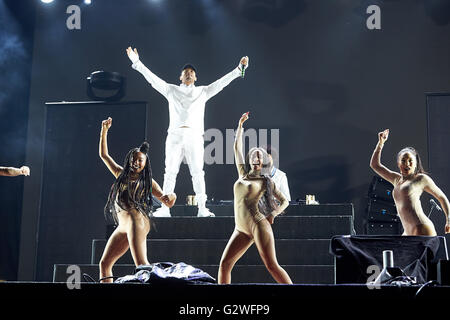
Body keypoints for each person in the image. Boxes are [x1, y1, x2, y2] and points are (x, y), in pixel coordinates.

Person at [126, 46, 249, 217]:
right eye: (186, 72)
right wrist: (137, 62)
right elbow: (152, 79)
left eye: (192, 72)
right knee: (170, 172)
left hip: (194, 136)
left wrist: (238, 70)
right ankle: (165, 208)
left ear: (196, 77)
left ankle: (202, 208)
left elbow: (221, 83)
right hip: (175, 135)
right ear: (180, 76)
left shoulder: (203, 91)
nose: (189, 73)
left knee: (198, 172)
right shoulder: (171, 89)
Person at [98, 117, 176, 283]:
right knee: (104, 264)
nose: (136, 162)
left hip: (136, 221)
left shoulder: (148, 182)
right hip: (122, 225)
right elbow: (104, 155)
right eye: (134, 159)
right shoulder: (120, 174)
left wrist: (172, 196)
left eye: (140, 160)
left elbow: (167, 201)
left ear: (145, 162)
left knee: (142, 265)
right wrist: (104, 131)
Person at [218, 112, 292, 284]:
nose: (255, 157)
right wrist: (240, 126)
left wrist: (273, 214)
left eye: (259, 155)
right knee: (225, 264)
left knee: (272, 265)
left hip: (258, 224)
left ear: (264, 160)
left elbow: (285, 201)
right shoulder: (242, 174)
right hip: (240, 228)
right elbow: (236, 148)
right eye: (253, 155)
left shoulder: (266, 180)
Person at [370, 129, 450, 236]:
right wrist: (381, 143)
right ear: (398, 163)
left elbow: (441, 197)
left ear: (416, 164)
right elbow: (375, 165)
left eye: (410, 161)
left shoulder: (421, 179)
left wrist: (448, 218)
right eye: (403, 161)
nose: (407, 164)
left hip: (421, 227)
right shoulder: (396, 179)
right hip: (407, 232)